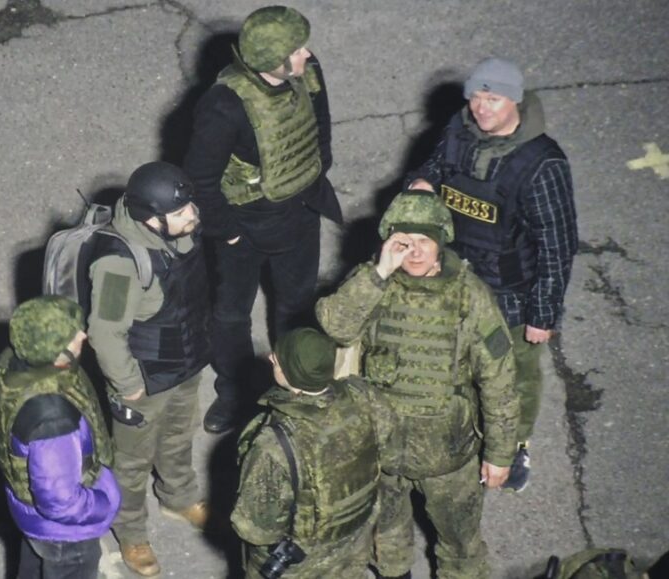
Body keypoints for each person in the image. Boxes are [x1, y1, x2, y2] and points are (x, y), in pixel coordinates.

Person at [316, 190, 520, 579]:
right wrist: (378, 272)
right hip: (382, 450)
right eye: (403, 241)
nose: (414, 251)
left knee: (461, 545)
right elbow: (336, 327)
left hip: (448, 456)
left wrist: (500, 453)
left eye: (424, 241)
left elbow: (500, 380)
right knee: (388, 540)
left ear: (441, 241)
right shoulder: (373, 283)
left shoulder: (470, 296)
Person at [407, 57, 578, 492]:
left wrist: (543, 314)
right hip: (456, 273)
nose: (482, 108)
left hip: (512, 293)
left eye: (493, 99)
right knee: (453, 358)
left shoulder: (542, 164)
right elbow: (437, 166)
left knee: (514, 373)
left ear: (515, 100)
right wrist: (423, 182)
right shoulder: (460, 130)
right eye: (477, 96)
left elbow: (557, 245)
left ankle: (515, 444)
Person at [183, 5, 343, 434]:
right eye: (296, 49)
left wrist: (315, 170)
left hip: (301, 215)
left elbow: (320, 123)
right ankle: (234, 390)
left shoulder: (307, 70)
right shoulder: (224, 106)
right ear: (273, 60)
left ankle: (291, 386)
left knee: (296, 305)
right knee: (231, 314)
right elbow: (199, 178)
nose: (307, 54)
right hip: (245, 227)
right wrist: (228, 233)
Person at [87, 161, 212, 576]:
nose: (192, 215)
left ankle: (179, 496)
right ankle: (132, 533)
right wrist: (128, 387)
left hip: (184, 365)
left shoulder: (178, 234)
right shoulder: (119, 264)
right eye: (179, 213)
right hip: (144, 380)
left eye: (189, 205)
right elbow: (105, 334)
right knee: (131, 463)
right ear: (151, 219)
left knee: (179, 436)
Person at [232, 328, 395, 578]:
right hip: (354, 541)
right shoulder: (364, 395)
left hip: (301, 565)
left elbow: (255, 529)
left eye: (278, 358)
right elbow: (387, 447)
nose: (271, 358)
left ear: (289, 374)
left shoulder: (275, 443)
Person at [0, 296, 121, 579]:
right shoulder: (52, 418)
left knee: (33, 569)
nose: (83, 335)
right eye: (74, 334)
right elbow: (61, 502)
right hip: (65, 535)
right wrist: (103, 503)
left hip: (32, 518)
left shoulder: (15, 363)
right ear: (55, 350)